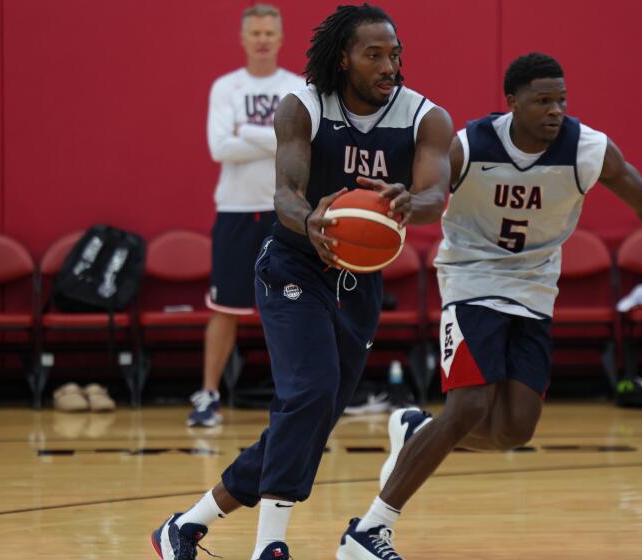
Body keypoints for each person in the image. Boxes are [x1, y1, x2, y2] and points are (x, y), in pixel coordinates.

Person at [336, 52, 642, 560]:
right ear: (511, 104)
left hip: (535, 288)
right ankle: (370, 530)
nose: (555, 110)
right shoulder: (470, 145)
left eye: (561, 99)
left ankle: (413, 431)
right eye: (542, 101)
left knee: (514, 431)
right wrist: (407, 202)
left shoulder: (587, 149)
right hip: (471, 279)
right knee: (469, 406)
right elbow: (429, 197)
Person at [152, 4, 453, 559]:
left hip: (360, 281)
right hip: (293, 264)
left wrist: (416, 201)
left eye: (395, 54)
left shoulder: (425, 117)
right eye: (374, 54)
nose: (390, 65)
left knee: (308, 420)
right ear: (343, 59)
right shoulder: (305, 105)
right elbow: (286, 192)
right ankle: (271, 547)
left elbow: (437, 192)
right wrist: (309, 217)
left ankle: (184, 527)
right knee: (309, 393)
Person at [189, 4, 305, 428]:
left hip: (286, 210)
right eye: (254, 32)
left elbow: (302, 145)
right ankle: (208, 395)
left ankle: (296, 398)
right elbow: (220, 149)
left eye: (268, 32)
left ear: (280, 38)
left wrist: (247, 133)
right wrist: (278, 138)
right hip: (236, 211)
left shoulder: (297, 87)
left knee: (296, 307)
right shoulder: (226, 88)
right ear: (243, 38)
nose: (261, 39)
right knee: (225, 308)